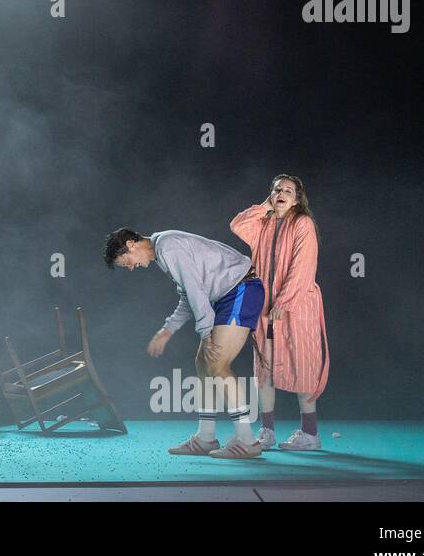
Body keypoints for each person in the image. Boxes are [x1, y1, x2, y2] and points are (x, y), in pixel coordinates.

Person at [105, 227, 266, 458]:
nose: (131, 267)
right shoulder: (162, 251)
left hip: (241, 289)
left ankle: (247, 441)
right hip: (225, 295)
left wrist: (206, 334)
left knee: (217, 365)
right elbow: (188, 295)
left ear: (131, 244)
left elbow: (195, 292)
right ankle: (206, 437)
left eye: (126, 262)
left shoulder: (168, 246)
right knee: (203, 364)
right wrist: (167, 330)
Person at [230, 175, 329, 451]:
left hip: (297, 306)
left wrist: (284, 302)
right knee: (264, 368)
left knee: (303, 365)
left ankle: (310, 434)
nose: (281, 193)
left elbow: (303, 267)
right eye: (276, 190)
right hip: (264, 306)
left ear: (297, 198)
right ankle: (267, 430)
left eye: (288, 190)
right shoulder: (263, 224)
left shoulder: (303, 224)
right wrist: (264, 206)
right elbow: (237, 225)